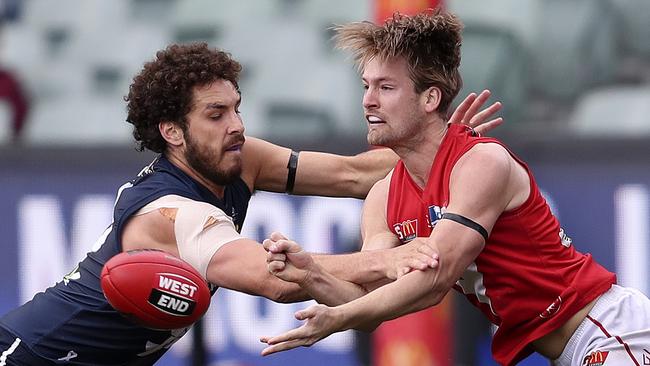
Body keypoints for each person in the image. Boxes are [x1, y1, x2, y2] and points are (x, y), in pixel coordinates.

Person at [0, 43, 500, 365]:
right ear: (172, 132)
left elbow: (354, 174)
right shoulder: (169, 214)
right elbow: (275, 279)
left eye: (236, 107)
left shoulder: (242, 159)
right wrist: (384, 259)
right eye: (216, 115)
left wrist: (442, 147)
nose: (236, 124)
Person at [259, 10, 650, 366]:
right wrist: (312, 277)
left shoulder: (481, 163)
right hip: (570, 350)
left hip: (610, 330)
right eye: (366, 86)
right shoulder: (382, 196)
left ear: (430, 98)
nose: (368, 102)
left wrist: (333, 305)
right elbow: (367, 301)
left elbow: (434, 280)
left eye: (386, 88)